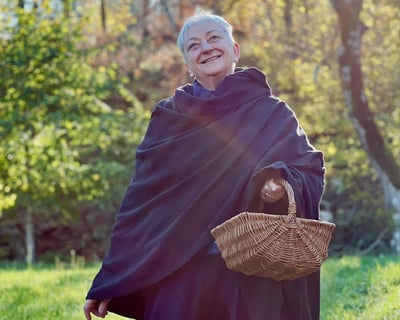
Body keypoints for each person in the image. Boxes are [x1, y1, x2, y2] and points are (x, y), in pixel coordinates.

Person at [84, 10, 325, 320]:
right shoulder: (168, 119)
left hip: (247, 273)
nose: (206, 48)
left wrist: (280, 181)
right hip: (177, 274)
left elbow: (308, 169)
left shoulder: (272, 112)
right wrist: (110, 281)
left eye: (214, 38)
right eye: (194, 45)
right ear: (186, 62)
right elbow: (141, 205)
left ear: (235, 49)